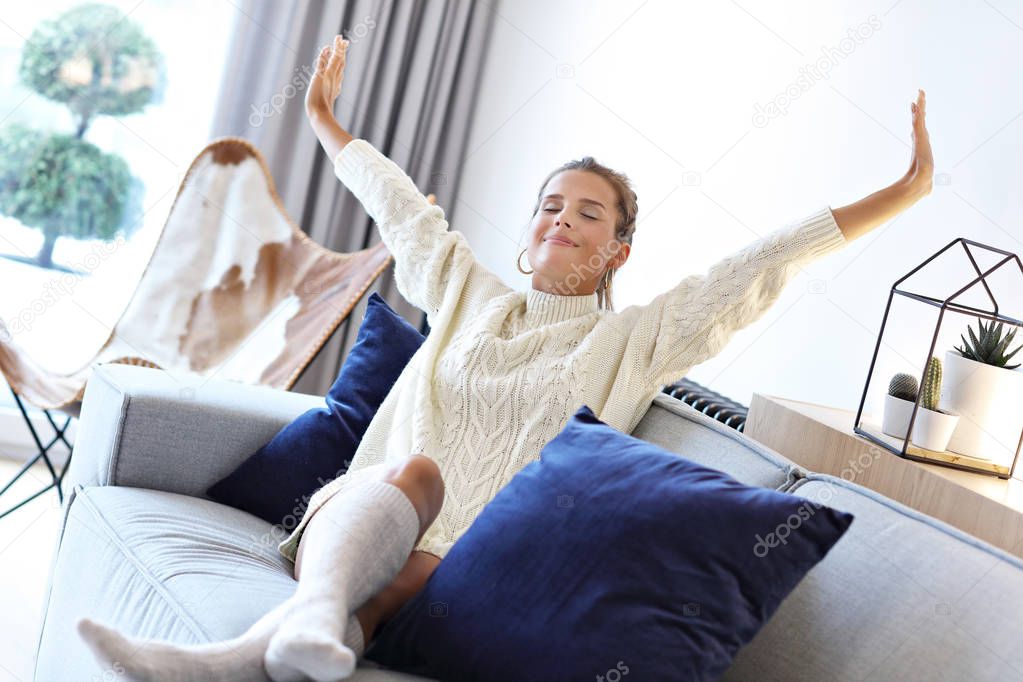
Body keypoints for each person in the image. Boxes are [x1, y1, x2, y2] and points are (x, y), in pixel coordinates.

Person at [78, 33, 934, 682]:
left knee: (423, 532)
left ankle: (248, 654)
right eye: (551, 204)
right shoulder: (466, 291)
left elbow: (757, 265)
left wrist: (900, 193)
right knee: (411, 474)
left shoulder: (630, 341)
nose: (562, 218)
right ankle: (308, 625)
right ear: (530, 229)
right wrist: (322, 120)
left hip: (458, 575)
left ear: (619, 251)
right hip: (353, 526)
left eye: (590, 213)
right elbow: (401, 208)